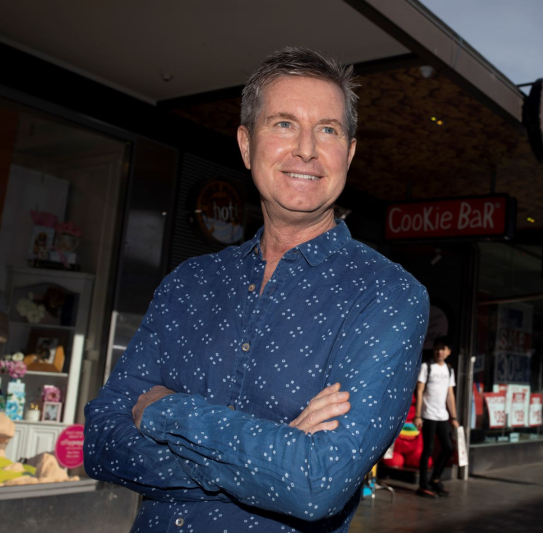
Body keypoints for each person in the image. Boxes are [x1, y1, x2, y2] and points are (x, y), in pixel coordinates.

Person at [83, 47, 429, 533]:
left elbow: (316, 484)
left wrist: (161, 408)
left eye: (327, 129)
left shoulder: (388, 296)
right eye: (284, 124)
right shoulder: (187, 283)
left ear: (349, 153)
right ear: (246, 145)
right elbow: (99, 442)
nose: (306, 149)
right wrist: (276, 449)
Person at [414, 337, 458, 498]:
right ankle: (423, 485)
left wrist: (454, 417)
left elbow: (450, 395)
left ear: (448, 352)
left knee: (448, 448)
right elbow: (419, 391)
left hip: (443, 416)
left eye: (443, 349)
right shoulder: (427, 367)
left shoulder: (449, 370)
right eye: (437, 348)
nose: (439, 351)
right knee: (428, 449)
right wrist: (418, 415)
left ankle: (435, 479)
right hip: (428, 415)